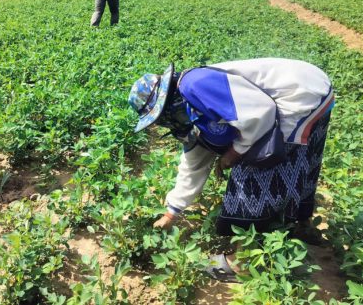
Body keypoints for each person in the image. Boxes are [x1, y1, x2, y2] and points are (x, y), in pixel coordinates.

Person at [128, 58, 334, 280]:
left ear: (167, 101)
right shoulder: (190, 110)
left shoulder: (194, 85)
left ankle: (240, 264)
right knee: (300, 162)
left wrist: (233, 154)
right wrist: (172, 211)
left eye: (160, 117)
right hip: (316, 91)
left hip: (300, 94)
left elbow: (262, 113)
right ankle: (300, 225)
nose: (163, 123)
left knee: (255, 170)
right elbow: (194, 163)